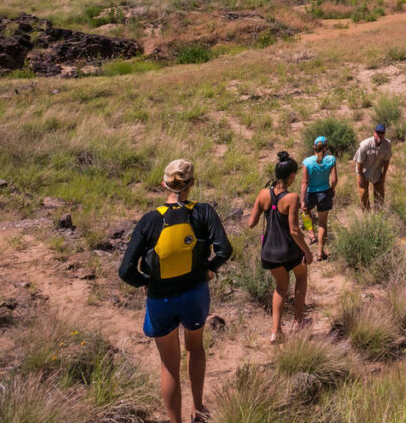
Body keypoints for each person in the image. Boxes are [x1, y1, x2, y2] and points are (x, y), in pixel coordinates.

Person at [118, 158, 231, 423]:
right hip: (194, 292)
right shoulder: (203, 212)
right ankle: (199, 408)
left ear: (163, 184)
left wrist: (145, 282)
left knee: (169, 364)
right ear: (192, 184)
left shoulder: (149, 221)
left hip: (161, 298)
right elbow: (225, 249)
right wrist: (209, 268)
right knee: (195, 347)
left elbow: (125, 271)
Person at [246, 151, 312, 343]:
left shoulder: (263, 194)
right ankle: (298, 322)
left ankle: (276, 331)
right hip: (289, 250)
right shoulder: (291, 198)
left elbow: (251, 223)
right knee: (301, 277)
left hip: (269, 251)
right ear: (291, 176)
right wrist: (307, 252)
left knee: (281, 288)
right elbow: (294, 230)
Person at [300, 136, 338, 260]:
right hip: (325, 193)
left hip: (310, 194)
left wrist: (302, 200)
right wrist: (332, 190)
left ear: (314, 147)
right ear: (326, 147)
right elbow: (334, 179)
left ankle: (311, 235)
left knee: (305, 212)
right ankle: (320, 252)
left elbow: (305, 182)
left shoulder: (307, 162)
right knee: (322, 224)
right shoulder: (331, 160)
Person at [353, 122, 392, 211]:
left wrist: (384, 176)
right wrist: (361, 177)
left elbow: (387, 161)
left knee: (380, 194)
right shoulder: (365, 145)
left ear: (384, 134)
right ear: (374, 132)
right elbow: (359, 162)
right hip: (363, 171)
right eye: (378, 132)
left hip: (377, 171)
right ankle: (366, 215)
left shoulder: (387, 145)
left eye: (382, 133)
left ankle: (378, 214)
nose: (379, 135)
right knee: (363, 194)